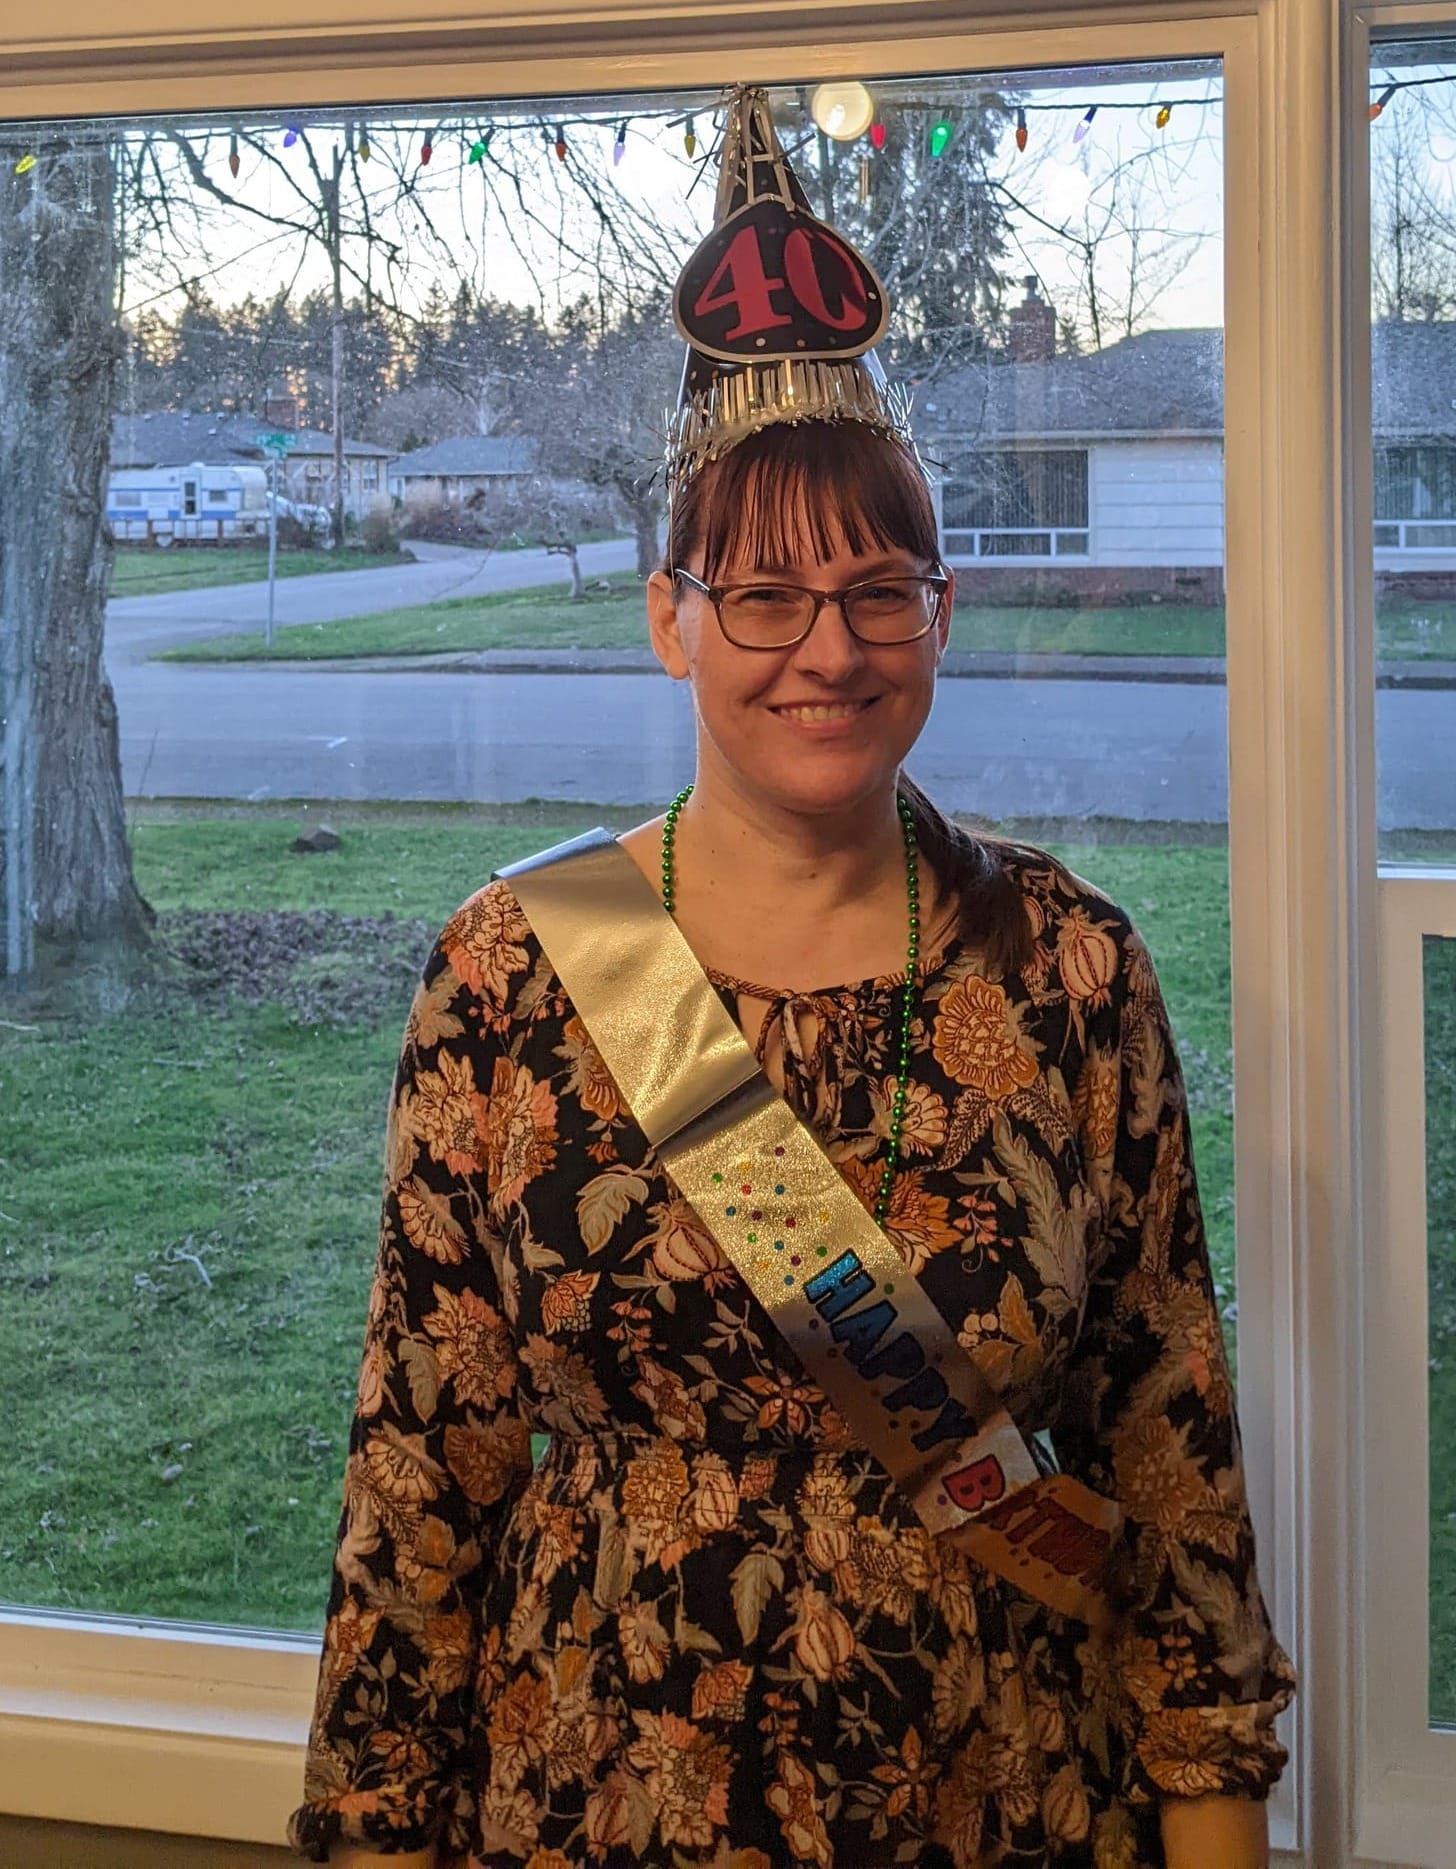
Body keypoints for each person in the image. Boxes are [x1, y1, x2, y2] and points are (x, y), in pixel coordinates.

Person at [290, 87, 1293, 1869]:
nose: (828, 650)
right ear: (669, 616)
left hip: (1008, 1815)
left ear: (942, 614)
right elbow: (419, 1486)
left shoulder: (1067, 972)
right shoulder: (517, 975)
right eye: (761, 595)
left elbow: (1167, 1466)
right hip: (594, 1819)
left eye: (879, 590)